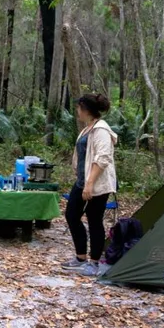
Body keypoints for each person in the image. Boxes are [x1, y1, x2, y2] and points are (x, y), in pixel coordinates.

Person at [61, 93, 118, 277]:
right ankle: (80, 257)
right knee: (71, 214)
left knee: (94, 220)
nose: (77, 111)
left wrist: (90, 184)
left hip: (96, 184)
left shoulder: (101, 129)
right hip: (82, 181)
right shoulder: (87, 129)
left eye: (78, 107)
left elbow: (102, 159)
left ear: (85, 109)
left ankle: (94, 263)